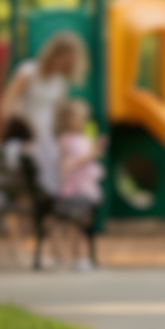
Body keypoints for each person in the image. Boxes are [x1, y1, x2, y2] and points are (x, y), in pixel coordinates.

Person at [0, 32, 88, 195]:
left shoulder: (60, 82)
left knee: (51, 178)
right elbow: (8, 105)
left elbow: (57, 118)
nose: (65, 65)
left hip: (46, 140)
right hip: (23, 138)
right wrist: (23, 132)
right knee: (28, 176)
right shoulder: (28, 71)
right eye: (65, 59)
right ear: (54, 54)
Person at [54, 99, 106, 271]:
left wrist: (96, 149)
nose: (79, 122)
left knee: (84, 223)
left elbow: (90, 160)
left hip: (87, 190)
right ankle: (77, 257)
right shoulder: (65, 140)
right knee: (75, 224)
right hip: (73, 191)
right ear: (66, 119)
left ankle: (83, 256)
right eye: (75, 118)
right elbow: (65, 166)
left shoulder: (85, 138)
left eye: (82, 118)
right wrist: (90, 156)